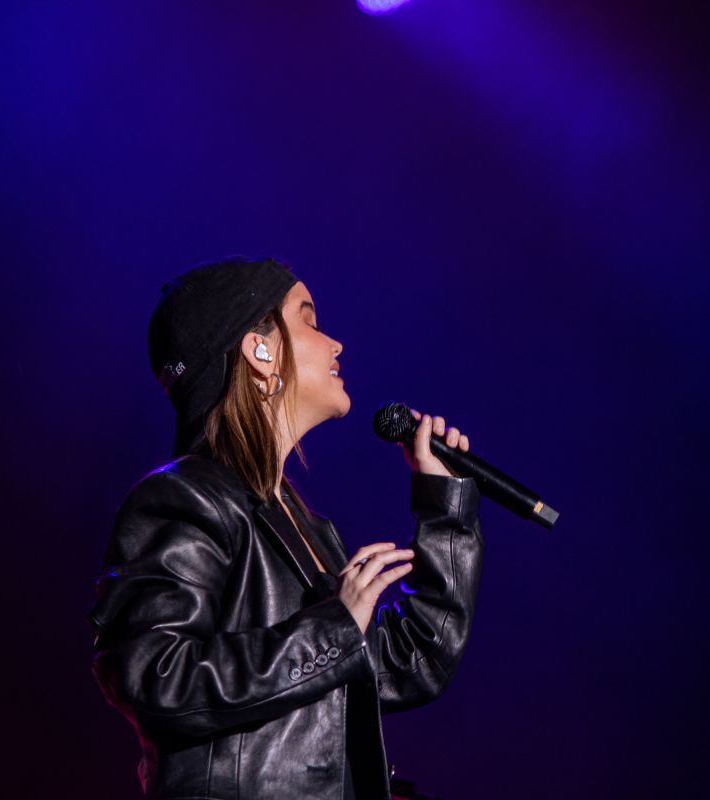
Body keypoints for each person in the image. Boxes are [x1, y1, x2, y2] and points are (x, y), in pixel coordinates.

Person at [87, 257, 484, 800]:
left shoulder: (306, 528)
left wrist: (445, 510)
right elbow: (154, 674)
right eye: (310, 320)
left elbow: (410, 663)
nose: (335, 344)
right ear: (260, 349)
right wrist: (333, 627)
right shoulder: (183, 498)